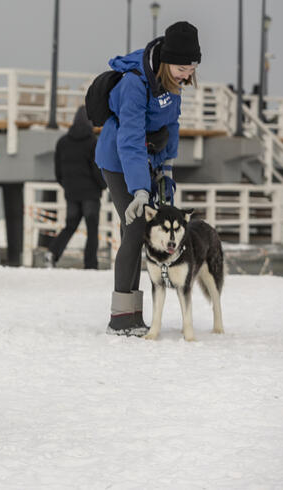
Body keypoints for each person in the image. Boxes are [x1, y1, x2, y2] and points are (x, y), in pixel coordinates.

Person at [95, 20, 200, 336]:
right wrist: (140, 189)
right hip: (118, 160)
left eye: (192, 68)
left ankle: (134, 312)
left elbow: (173, 124)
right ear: (167, 61)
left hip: (150, 158)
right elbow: (129, 137)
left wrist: (167, 165)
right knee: (137, 225)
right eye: (182, 67)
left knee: (141, 228)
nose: (187, 74)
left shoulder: (172, 84)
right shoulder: (134, 83)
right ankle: (121, 315)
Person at [47, 105, 105, 270]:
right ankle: (90, 264)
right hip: (91, 194)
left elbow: (58, 171)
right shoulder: (93, 142)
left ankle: (52, 252)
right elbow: (97, 169)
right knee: (92, 229)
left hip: (71, 193)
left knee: (70, 226)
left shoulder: (63, 142)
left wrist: (67, 186)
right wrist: (103, 185)